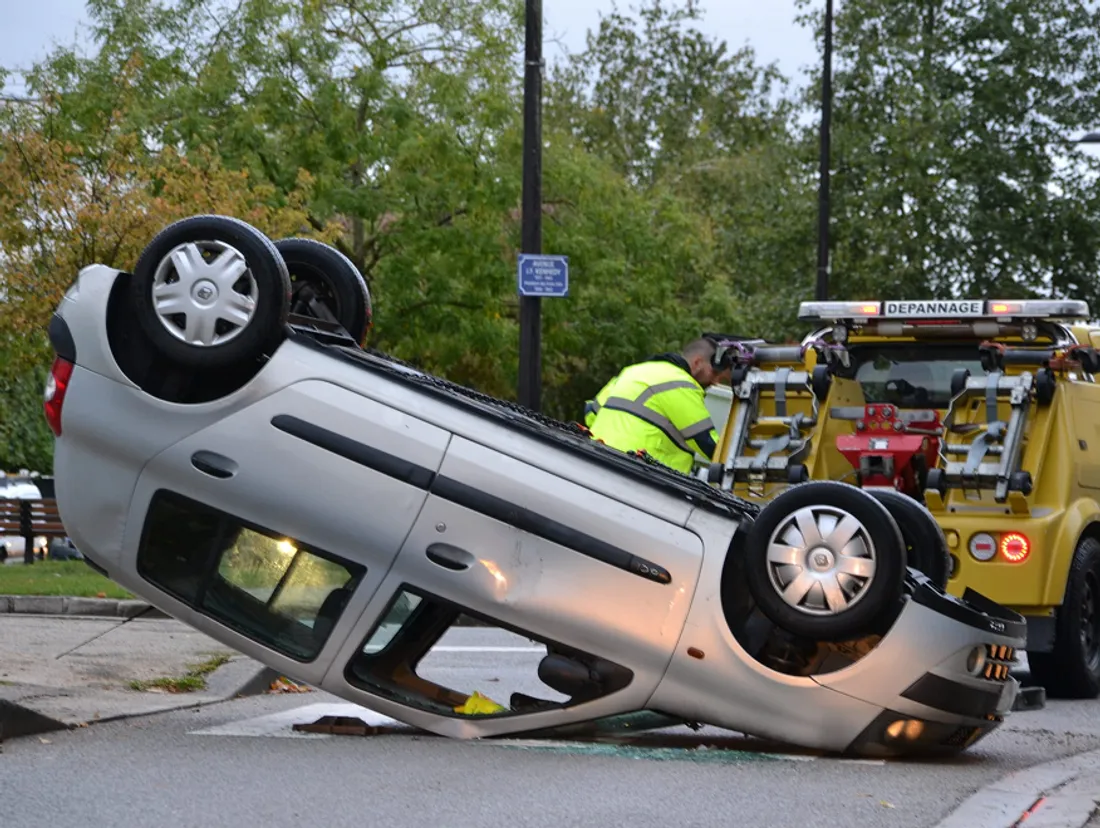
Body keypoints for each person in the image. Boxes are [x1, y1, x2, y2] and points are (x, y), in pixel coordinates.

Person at [583, 337, 729, 474]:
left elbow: (590, 413)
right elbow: (708, 443)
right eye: (714, 373)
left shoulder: (632, 371)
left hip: (595, 460)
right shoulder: (681, 384)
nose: (715, 381)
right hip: (641, 475)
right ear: (697, 363)